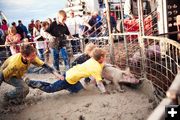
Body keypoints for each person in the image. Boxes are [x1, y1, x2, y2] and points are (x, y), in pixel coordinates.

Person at [25, 48, 108, 94]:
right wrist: (104, 92)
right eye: (104, 56)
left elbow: (103, 64)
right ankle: (32, 83)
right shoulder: (96, 67)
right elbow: (99, 83)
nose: (105, 58)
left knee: (81, 92)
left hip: (73, 78)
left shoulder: (94, 60)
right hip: (68, 78)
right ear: (100, 58)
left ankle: (68, 88)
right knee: (50, 89)